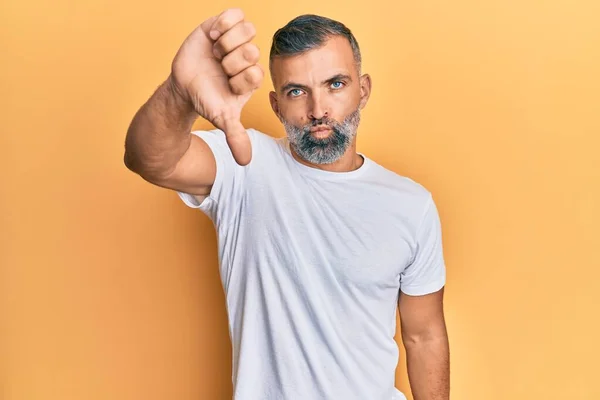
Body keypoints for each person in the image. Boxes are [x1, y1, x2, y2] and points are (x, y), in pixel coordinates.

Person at [124, 8, 450, 400]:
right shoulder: (244, 164)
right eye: (297, 91)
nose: (318, 110)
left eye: (335, 84)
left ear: (362, 90)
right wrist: (180, 91)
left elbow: (424, 335)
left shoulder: (411, 205)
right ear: (277, 106)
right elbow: (150, 159)